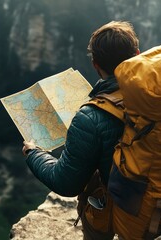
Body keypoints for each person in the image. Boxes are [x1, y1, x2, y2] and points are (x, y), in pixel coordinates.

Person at [22, 21, 140, 240]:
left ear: (95, 64)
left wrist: (33, 153)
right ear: (137, 54)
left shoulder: (91, 118)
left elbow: (65, 182)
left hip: (121, 207)